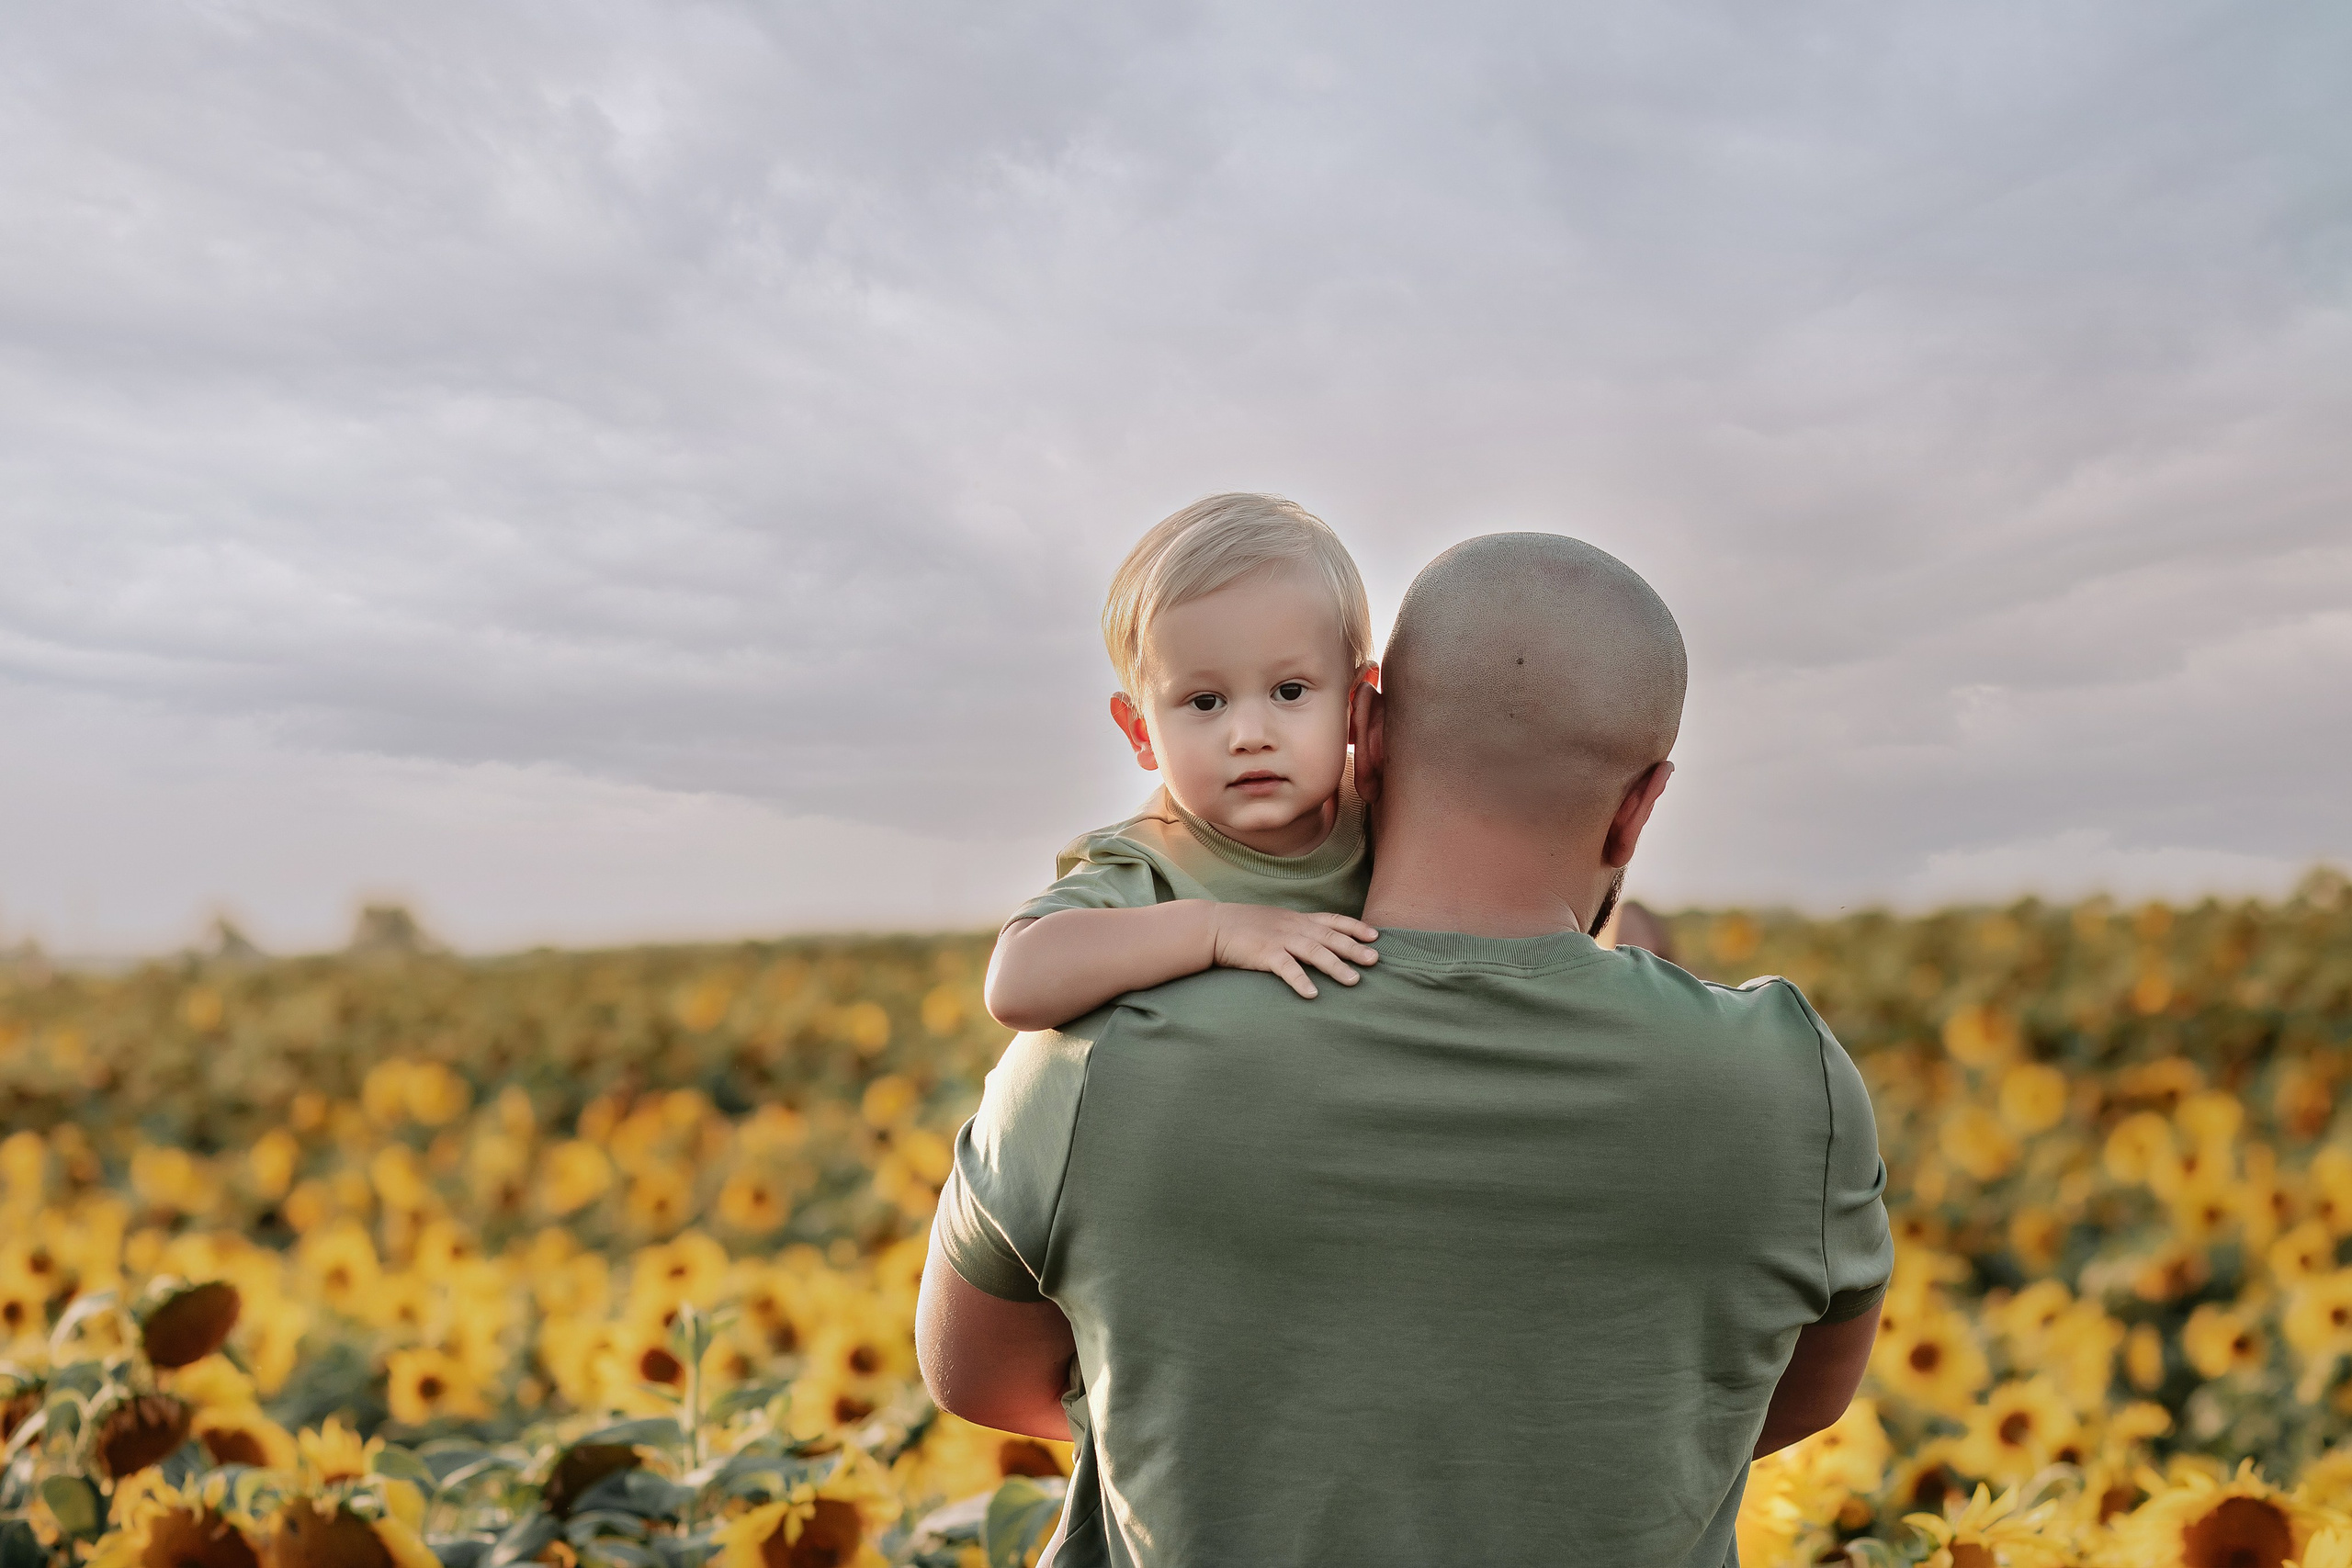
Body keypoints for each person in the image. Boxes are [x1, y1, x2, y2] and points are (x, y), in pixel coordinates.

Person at [919, 534, 1894, 1567]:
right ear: (1639, 806)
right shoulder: (1788, 1087)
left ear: (1366, 730)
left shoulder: (1094, 1058)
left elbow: (971, 1378)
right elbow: (1781, 1406)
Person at [983, 493, 1384, 1033]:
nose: (1249, 737)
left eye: (1289, 691)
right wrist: (1213, 931)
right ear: (1142, 733)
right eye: (1205, 702)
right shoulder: (1149, 865)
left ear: (1356, 706)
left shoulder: (1388, 813)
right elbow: (1015, 981)